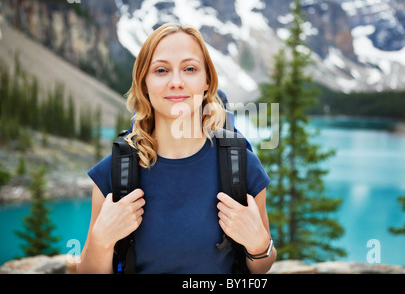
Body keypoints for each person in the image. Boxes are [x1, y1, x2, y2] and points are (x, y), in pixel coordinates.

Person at [77, 23, 276, 274]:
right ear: (144, 83)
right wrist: (101, 240)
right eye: (161, 70)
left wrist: (258, 244)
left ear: (207, 81)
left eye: (190, 69)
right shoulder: (114, 171)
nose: (176, 82)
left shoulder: (241, 164)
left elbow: (262, 266)